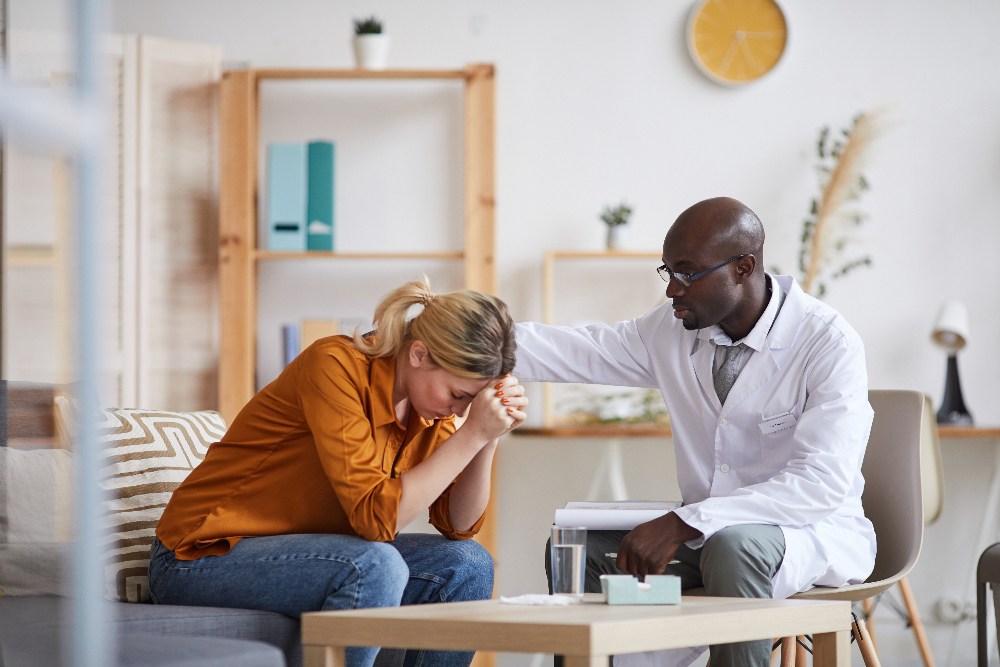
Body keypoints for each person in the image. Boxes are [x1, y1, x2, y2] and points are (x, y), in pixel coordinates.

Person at [518, 197, 875, 667]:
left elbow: (818, 486)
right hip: (707, 535)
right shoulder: (671, 330)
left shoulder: (827, 342)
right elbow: (576, 348)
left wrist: (687, 521)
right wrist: (455, 338)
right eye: (667, 272)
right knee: (580, 546)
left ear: (744, 267)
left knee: (734, 544)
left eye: (687, 273)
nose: (672, 291)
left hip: (807, 532)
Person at [151, 280, 527, 667]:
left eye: (471, 401)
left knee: (468, 564)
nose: (459, 411)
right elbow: (375, 520)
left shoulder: (430, 407)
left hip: (313, 551)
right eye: (458, 396)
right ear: (419, 354)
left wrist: (488, 438)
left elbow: (458, 524)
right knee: (375, 566)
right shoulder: (335, 364)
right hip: (199, 556)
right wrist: (472, 434)